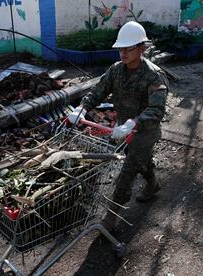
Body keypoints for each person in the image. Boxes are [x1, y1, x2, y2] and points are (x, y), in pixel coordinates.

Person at [68, 21, 169, 230]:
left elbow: (157, 110)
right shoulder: (116, 70)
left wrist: (135, 122)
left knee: (128, 169)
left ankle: (111, 216)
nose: (122, 52)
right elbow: (99, 91)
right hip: (124, 128)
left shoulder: (154, 75)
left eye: (128, 48)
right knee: (142, 160)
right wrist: (82, 108)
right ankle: (153, 184)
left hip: (145, 131)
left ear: (142, 48)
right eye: (120, 48)